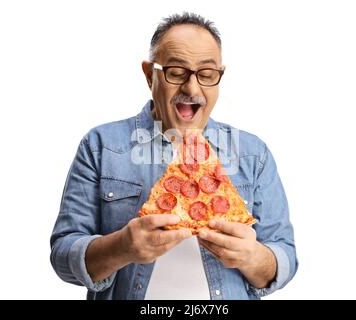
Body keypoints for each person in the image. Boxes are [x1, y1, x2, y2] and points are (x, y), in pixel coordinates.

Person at [50, 12, 298, 300]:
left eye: (206, 74)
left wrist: (252, 257)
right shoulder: (100, 145)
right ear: (149, 74)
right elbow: (62, 256)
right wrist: (121, 247)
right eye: (176, 72)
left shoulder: (254, 154)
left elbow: (285, 257)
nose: (192, 89)